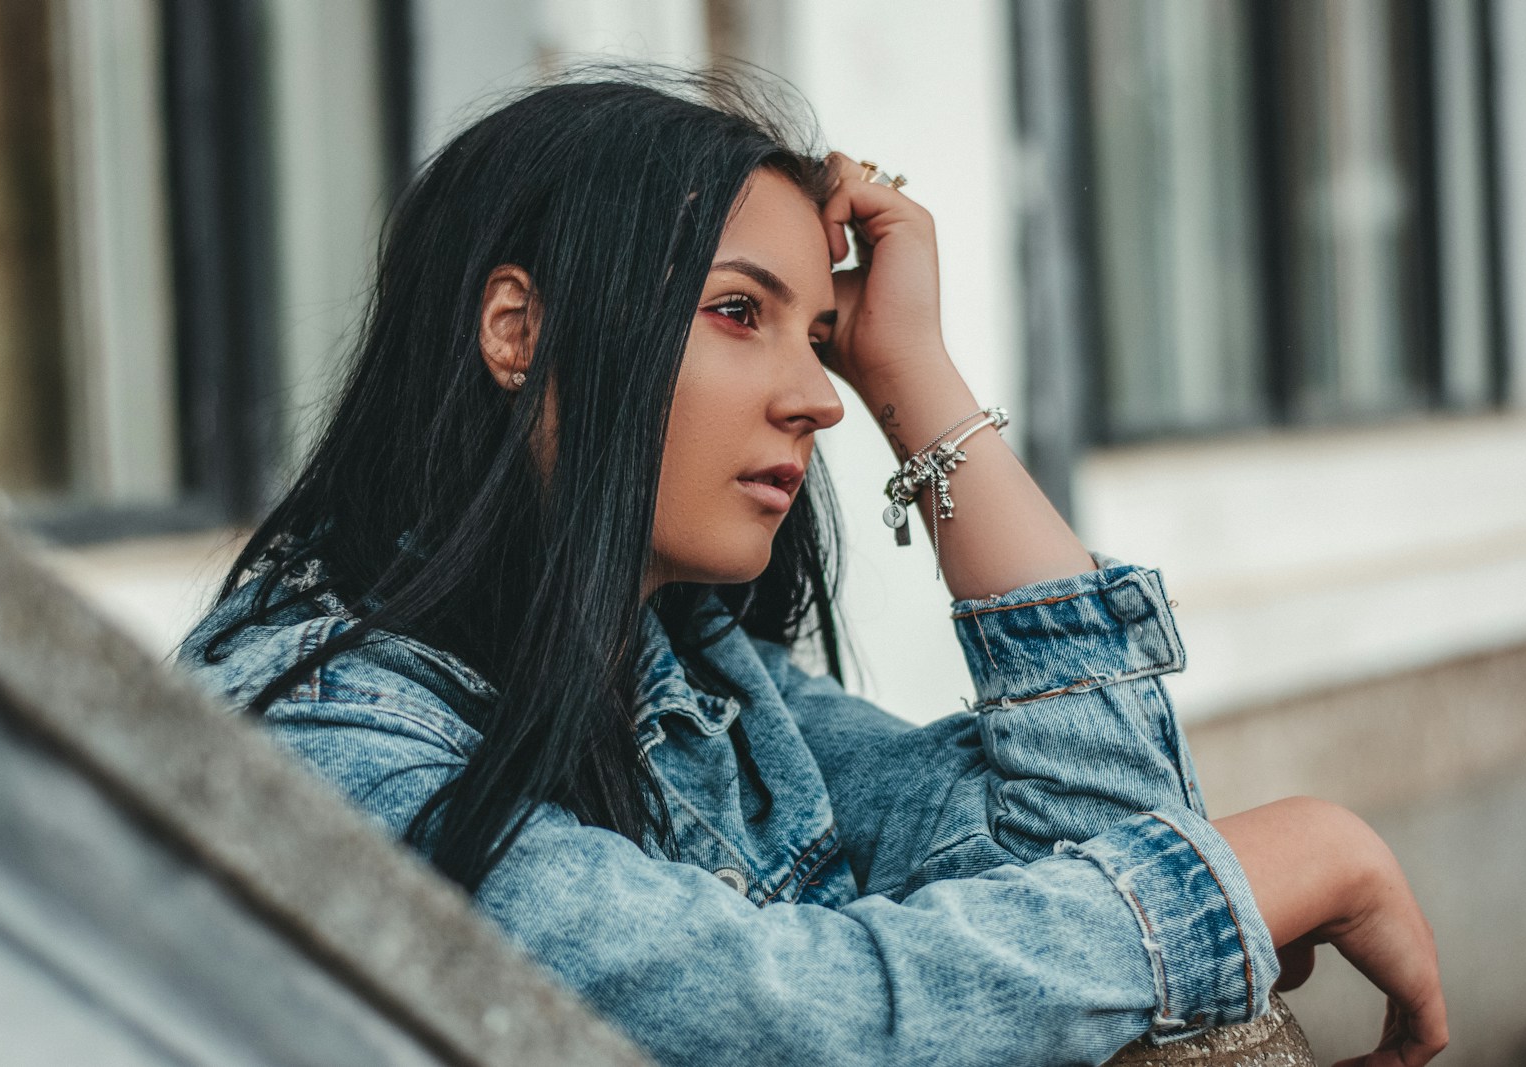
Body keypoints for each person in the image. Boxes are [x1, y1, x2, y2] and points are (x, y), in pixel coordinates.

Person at [177, 68, 1445, 1066]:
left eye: (824, 338)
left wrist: (918, 383)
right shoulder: (326, 725)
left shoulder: (700, 682)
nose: (816, 399)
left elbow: (1098, 830)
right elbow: (799, 1026)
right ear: (519, 329)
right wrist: (1297, 852)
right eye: (741, 312)